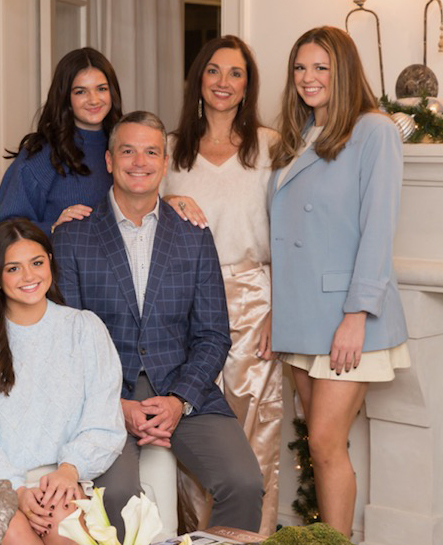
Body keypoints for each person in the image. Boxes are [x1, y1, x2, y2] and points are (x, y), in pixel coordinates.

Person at [53, 111, 264, 534]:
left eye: (151, 152)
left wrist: (178, 401)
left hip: (183, 386)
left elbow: (213, 335)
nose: (139, 162)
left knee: (244, 483)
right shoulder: (73, 236)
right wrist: (115, 406)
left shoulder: (193, 233)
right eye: (127, 151)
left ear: (165, 164)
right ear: (110, 161)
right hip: (106, 394)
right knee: (118, 497)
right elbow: (65, 342)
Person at [268, 26, 411, 535]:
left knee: (325, 442)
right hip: (303, 316)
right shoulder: (299, 135)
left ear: (344, 70)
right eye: (300, 68)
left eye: (321, 68)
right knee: (320, 443)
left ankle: (334, 542)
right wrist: (276, 314)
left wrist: (357, 316)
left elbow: (379, 229)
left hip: (346, 317)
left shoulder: (374, 130)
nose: (308, 78)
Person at [161, 35, 281, 535]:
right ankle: (198, 537)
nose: (224, 83)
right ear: (198, 79)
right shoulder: (170, 151)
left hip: (255, 298)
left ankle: (254, 538)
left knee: (258, 432)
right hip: (185, 304)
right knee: (196, 430)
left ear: (248, 84)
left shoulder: (271, 145)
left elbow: (294, 233)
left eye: (235, 73)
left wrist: (284, 307)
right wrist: (166, 205)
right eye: (214, 71)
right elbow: (136, 212)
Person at [0, 218, 126, 545]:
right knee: (16, 532)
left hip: (59, 479)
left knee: (64, 531)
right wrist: (16, 490)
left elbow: (104, 421)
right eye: (13, 268)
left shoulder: (85, 329)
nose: (29, 276)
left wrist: (69, 471)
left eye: (37, 263)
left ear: (50, 263)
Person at [0, 48, 123, 235]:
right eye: (80, 91)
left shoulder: (125, 147)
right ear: (65, 98)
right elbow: (2, 230)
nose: (94, 100)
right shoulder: (42, 155)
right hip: (59, 263)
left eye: (101, 89)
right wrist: (53, 228)